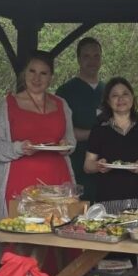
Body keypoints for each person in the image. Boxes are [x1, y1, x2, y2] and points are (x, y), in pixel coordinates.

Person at [0, 51, 75, 276]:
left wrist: (64, 146)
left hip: (56, 184)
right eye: (32, 72)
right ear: (24, 74)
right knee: (20, 247)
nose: (38, 79)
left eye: (44, 73)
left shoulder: (62, 105)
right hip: (20, 185)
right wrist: (18, 148)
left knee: (48, 247)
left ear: (52, 77)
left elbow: (71, 143)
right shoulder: (7, 106)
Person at [83, 77, 138, 276]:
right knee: (110, 253)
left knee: (134, 253)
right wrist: (100, 166)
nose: (121, 99)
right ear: (108, 101)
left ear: (133, 98)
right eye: (115, 95)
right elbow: (87, 165)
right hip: (109, 198)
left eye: (125, 93)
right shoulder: (100, 129)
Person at [56, 36, 104, 203]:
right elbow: (61, 132)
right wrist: (96, 135)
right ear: (78, 59)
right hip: (76, 164)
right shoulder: (65, 92)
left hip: (106, 166)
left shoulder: (109, 91)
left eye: (96, 56)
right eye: (86, 56)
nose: (92, 61)